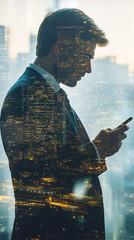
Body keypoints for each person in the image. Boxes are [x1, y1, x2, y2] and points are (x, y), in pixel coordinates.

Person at [0, 8, 129, 240]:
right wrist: (98, 150)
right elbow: (42, 176)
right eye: (86, 58)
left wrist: (100, 149)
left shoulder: (44, 92)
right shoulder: (29, 94)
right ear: (60, 49)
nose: (88, 69)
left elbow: (55, 161)